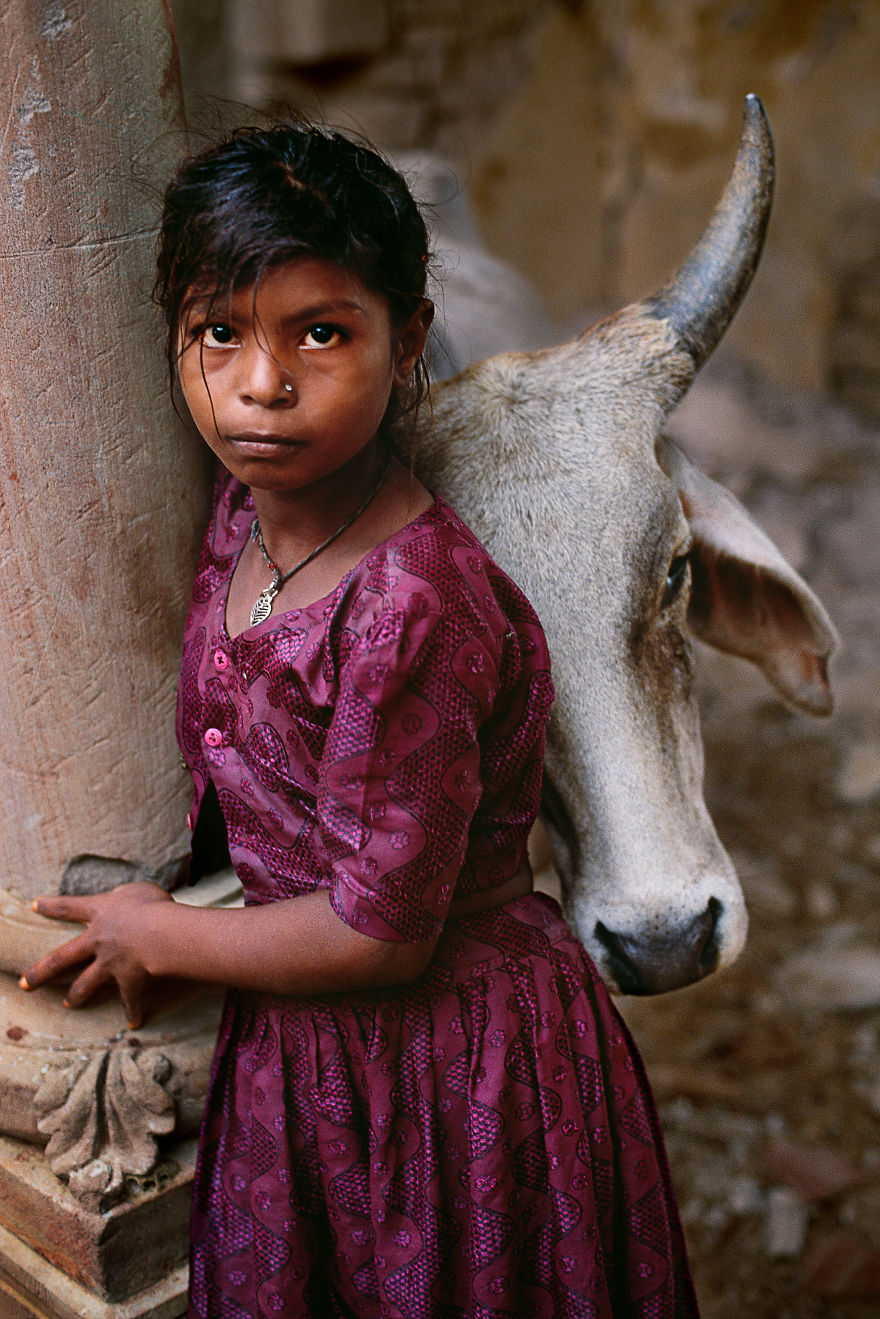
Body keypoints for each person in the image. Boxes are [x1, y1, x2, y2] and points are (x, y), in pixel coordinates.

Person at [21, 123, 699, 1319]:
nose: (261, 384)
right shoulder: (246, 513)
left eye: (320, 333)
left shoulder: (412, 606)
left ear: (409, 342)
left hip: (458, 1069)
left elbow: (379, 933)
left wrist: (159, 930)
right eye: (218, 333)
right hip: (309, 1056)